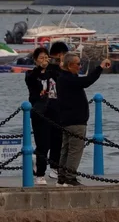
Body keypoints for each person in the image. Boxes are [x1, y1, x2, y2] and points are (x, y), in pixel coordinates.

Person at [56, 54, 110, 186]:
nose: (80, 66)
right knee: (75, 150)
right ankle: (70, 177)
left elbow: (83, 81)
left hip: (66, 120)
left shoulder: (63, 78)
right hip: (76, 121)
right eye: (78, 64)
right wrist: (100, 67)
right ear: (69, 66)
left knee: (66, 149)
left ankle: (62, 176)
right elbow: (87, 81)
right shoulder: (68, 79)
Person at [24, 47, 61, 185]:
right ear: (35, 60)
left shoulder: (54, 71)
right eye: (41, 58)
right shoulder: (31, 74)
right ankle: (40, 174)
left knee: (57, 140)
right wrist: (41, 69)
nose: (44, 60)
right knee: (43, 143)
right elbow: (33, 82)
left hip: (55, 110)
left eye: (46, 57)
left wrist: (51, 66)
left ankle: (55, 167)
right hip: (40, 113)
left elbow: (61, 77)